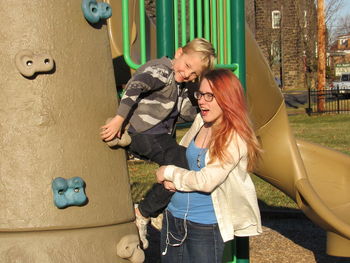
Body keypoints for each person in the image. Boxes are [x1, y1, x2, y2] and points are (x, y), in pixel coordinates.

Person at [100, 38, 216, 248]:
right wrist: (119, 119)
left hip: (157, 136)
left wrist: (196, 98)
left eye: (194, 74)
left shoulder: (180, 83)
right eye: (187, 66)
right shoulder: (161, 70)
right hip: (143, 133)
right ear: (179, 52)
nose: (188, 74)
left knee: (182, 162)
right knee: (182, 164)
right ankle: (143, 212)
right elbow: (135, 86)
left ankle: (157, 208)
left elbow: (184, 114)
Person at [156, 68, 262, 263]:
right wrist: (173, 181)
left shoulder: (234, 137)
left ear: (227, 99)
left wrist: (169, 172)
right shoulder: (201, 121)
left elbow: (206, 181)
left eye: (209, 96)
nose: (201, 101)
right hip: (174, 218)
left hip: (204, 226)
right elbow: (183, 158)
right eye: (200, 94)